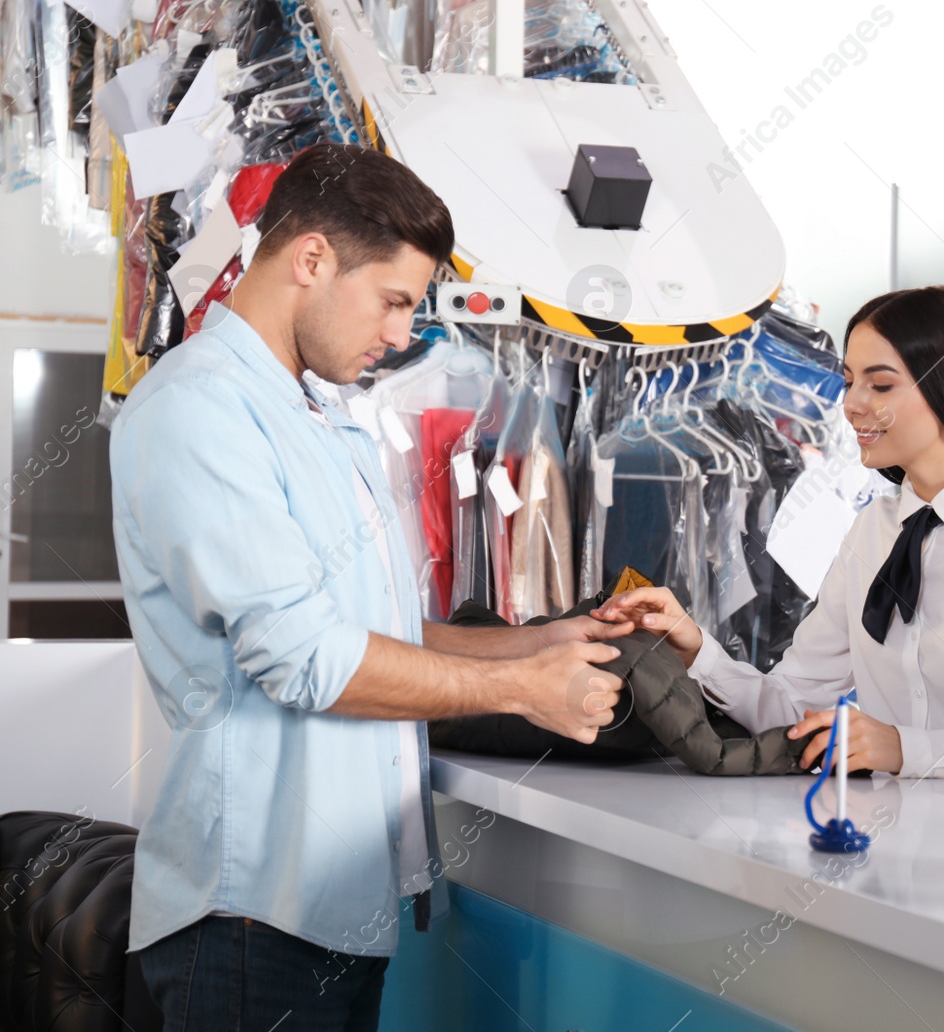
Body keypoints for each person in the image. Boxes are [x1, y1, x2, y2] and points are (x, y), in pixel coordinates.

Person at [112, 144, 633, 1030]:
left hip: (331, 918)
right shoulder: (200, 406)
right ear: (312, 259)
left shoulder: (317, 414)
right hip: (251, 917)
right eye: (393, 301)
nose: (401, 336)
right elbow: (305, 659)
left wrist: (540, 641)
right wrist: (520, 690)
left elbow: (375, 628)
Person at [596, 285, 944, 791]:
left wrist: (905, 749)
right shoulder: (873, 529)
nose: (852, 404)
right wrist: (694, 647)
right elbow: (792, 704)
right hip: (887, 854)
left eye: (880, 385)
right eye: (849, 381)